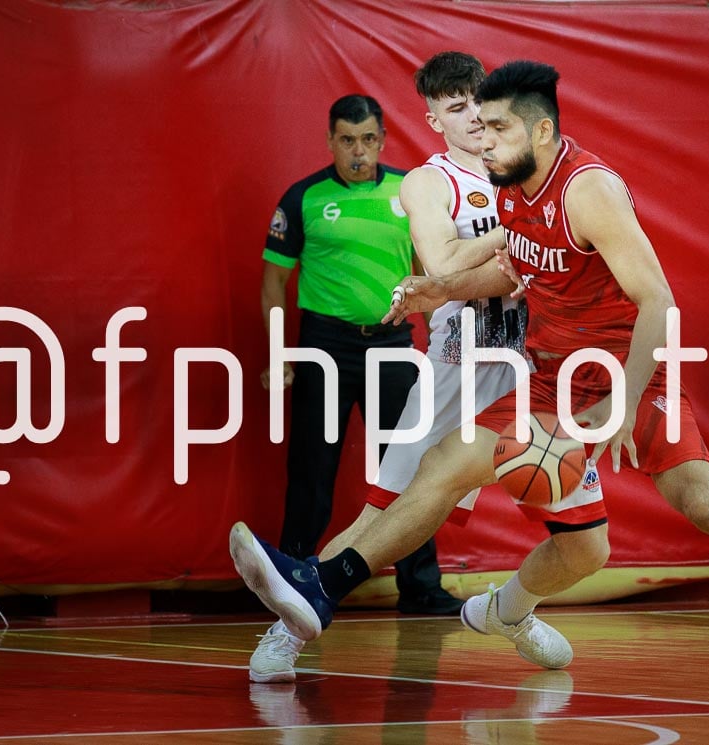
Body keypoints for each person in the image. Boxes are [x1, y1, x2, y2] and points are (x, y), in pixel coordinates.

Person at [235, 61, 709, 694]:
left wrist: (623, 403)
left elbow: (659, 301)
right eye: (479, 126)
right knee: (449, 467)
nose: (485, 139)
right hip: (552, 376)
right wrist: (439, 289)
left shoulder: (589, 190)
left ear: (542, 131)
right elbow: (515, 266)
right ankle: (326, 585)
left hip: (626, 371)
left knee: (708, 507)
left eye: (498, 128)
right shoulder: (509, 189)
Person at [249, 52, 528, 684]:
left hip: (530, 365)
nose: (473, 117)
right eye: (455, 108)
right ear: (433, 120)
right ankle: (292, 622)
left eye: (478, 102)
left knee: (577, 519)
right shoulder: (429, 183)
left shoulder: (524, 168)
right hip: (457, 366)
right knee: (386, 505)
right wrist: (520, 233)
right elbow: (445, 264)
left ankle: (513, 607)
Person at [257, 94, 456, 627]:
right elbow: (273, 284)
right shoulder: (303, 198)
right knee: (312, 469)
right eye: (347, 140)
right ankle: (291, 583)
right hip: (324, 346)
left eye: (368, 139)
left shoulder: (408, 194)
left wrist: (443, 348)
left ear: (383, 140)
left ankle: (421, 587)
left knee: (409, 467)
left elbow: (431, 275)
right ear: (330, 141)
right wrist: (279, 353)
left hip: (392, 343)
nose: (359, 151)